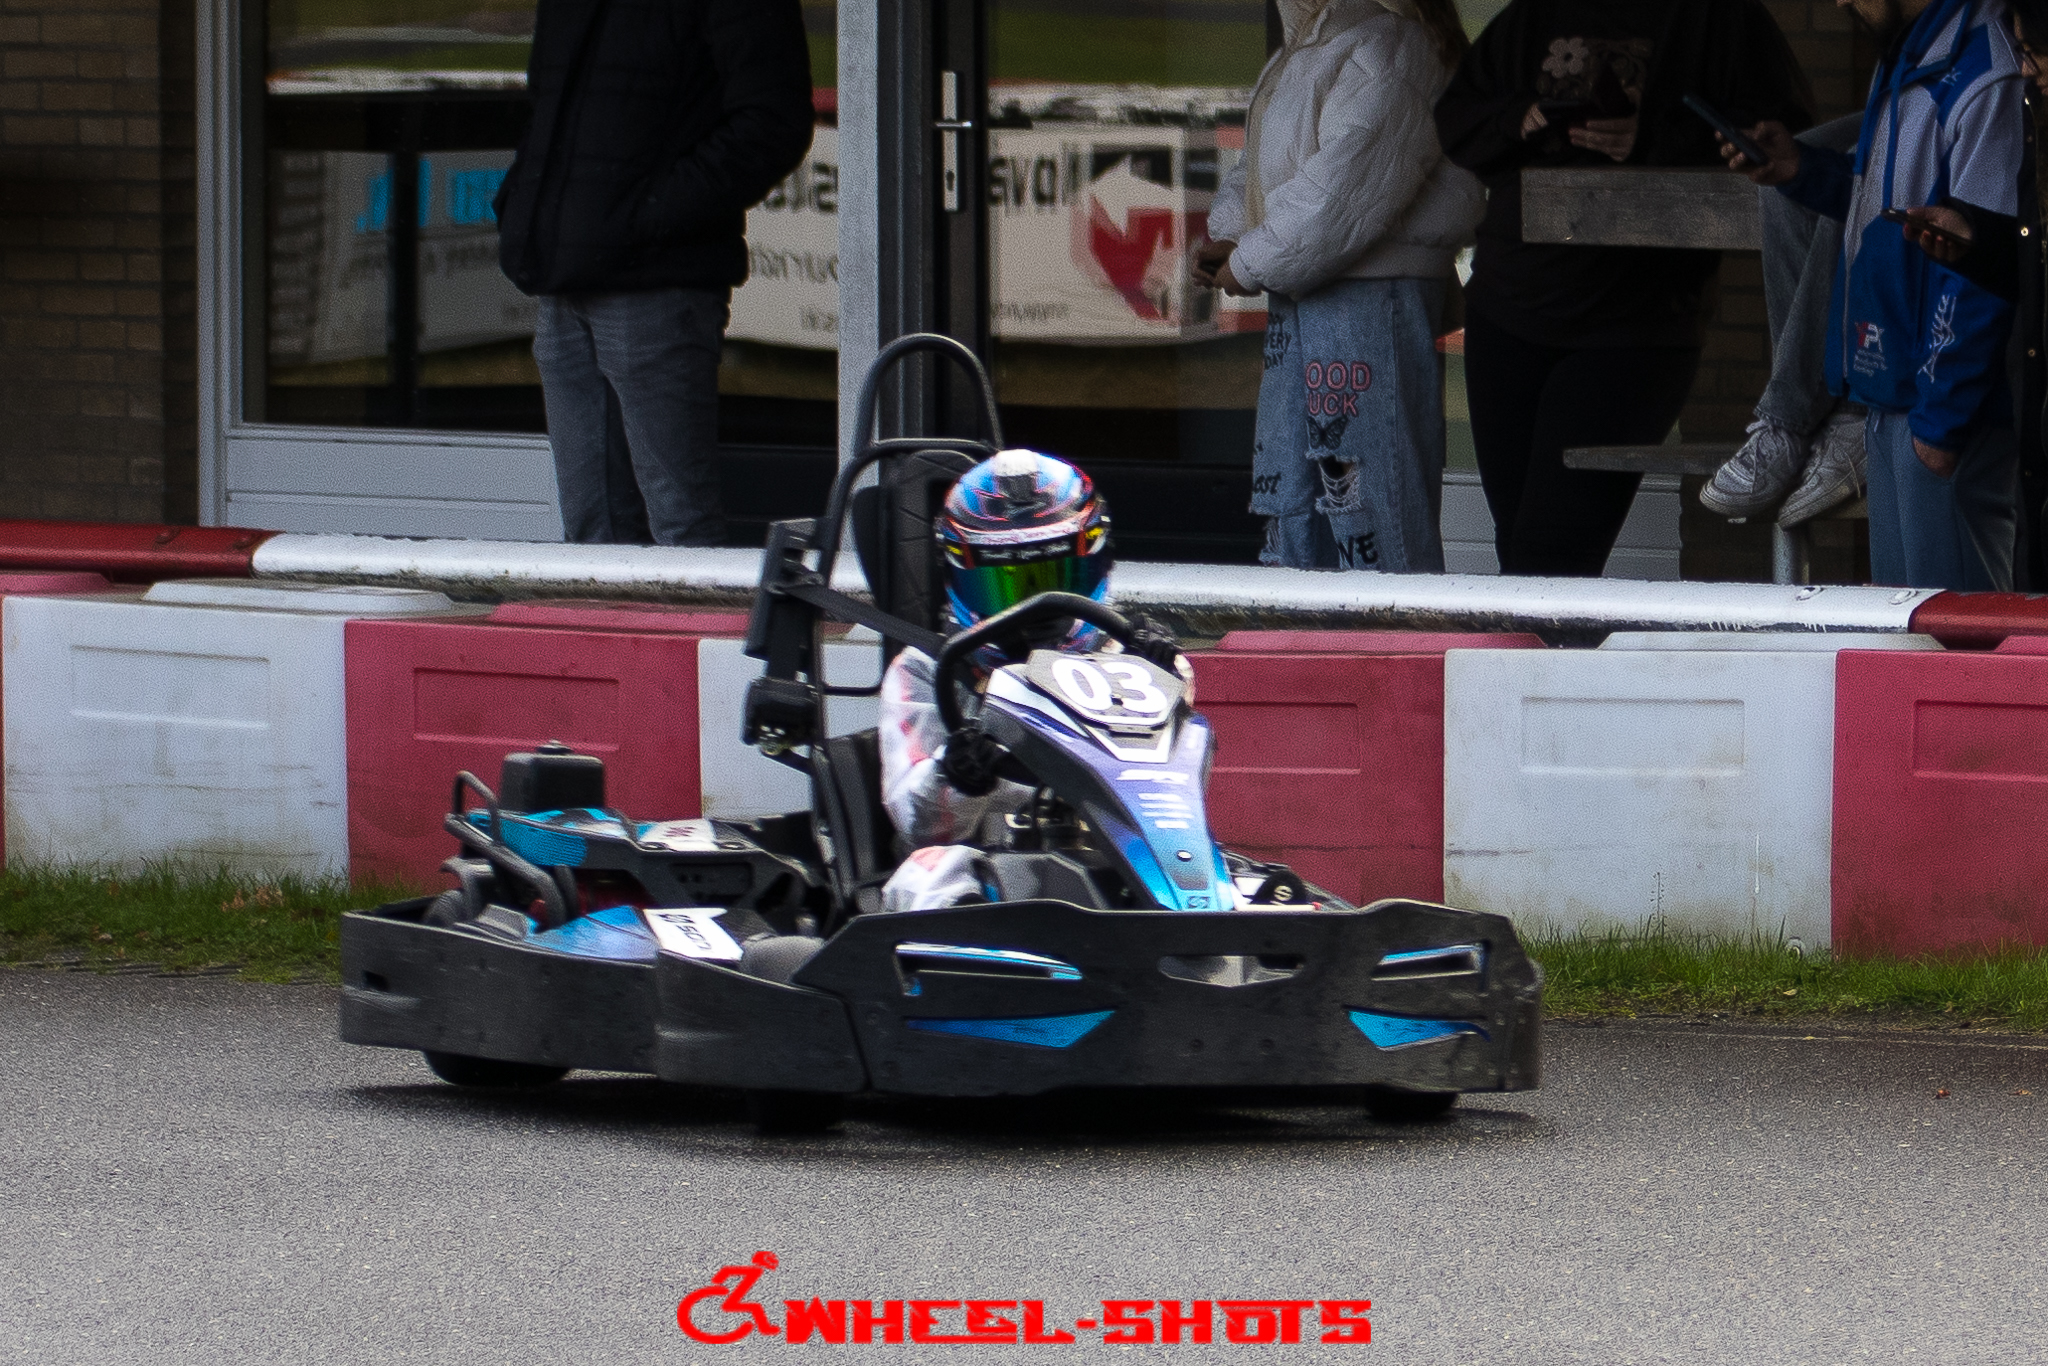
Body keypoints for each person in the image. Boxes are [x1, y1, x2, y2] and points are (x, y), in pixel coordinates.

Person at [1433, 0, 1812, 576]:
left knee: (1552, 553)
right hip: (1507, 309)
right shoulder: (1536, 14)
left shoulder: (1719, 18)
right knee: (1519, 544)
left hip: (1635, 328)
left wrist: (1652, 135)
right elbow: (1457, 120)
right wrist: (1523, 117)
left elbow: (1785, 142)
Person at [1725, 0, 2028, 591]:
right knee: (1901, 633)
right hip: (1888, 400)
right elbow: (1887, 212)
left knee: (1955, 639)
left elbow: (1985, 263)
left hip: (1942, 415)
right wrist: (1800, 169)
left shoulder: (1988, 70)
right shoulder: (1908, 53)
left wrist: (1938, 427)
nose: (1840, 1)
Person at [494, 0, 815, 546]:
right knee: (591, 529)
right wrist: (527, 205)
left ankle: (699, 610)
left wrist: (649, 214)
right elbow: (546, 108)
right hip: (566, 278)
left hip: (660, 282)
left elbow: (772, 122)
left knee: (681, 527)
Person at [1194, 0, 1484, 573]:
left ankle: (1397, 628)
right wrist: (1233, 236)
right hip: (1302, 290)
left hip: (1373, 297)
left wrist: (1249, 259)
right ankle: (1303, 623)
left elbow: (1344, 188)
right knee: (1297, 493)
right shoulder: (1307, 50)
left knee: (1375, 502)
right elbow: (1259, 165)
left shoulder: (1392, 47)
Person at [876, 450, 1187, 913]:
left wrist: (1165, 678)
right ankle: (967, 950)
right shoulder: (929, 671)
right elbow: (921, 829)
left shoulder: (1126, 658)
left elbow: (1176, 800)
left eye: (1054, 580)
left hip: (1122, 862)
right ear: (962, 579)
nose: (1036, 607)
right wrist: (957, 773)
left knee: (1242, 879)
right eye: (1007, 585)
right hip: (993, 869)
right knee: (927, 874)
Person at [1697, 115, 1871, 532]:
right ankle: (1802, 424)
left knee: (1862, 168)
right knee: (1782, 167)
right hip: (1905, 87)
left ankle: (1832, 413)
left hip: (1969, 97)